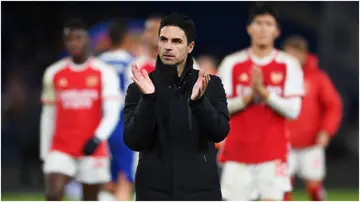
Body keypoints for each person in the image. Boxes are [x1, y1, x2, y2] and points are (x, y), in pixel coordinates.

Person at [123, 13, 229, 200]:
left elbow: (220, 132)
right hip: (153, 192)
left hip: (201, 191)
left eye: (177, 41)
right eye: (163, 40)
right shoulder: (140, 86)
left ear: (190, 47)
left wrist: (199, 103)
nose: (168, 47)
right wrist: (148, 100)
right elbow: (133, 141)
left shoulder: (210, 84)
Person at [217, 4, 304, 201]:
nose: (263, 29)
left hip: (273, 155)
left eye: (269, 24)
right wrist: (247, 98)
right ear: (249, 28)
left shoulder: (288, 64)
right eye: (258, 23)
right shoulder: (232, 63)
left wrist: (265, 94)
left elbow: (293, 111)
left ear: (277, 30)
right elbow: (219, 108)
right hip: (236, 155)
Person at [40, 19, 122, 201]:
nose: (74, 43)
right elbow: (48, 114)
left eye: (79, 38)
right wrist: (45, 151)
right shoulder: (53, 73)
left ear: (88, 40)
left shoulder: (104, 72)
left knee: (90, 198)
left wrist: (97, 137)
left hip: (92, 148)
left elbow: (112, 111)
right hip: (60, 147)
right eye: (70, 39)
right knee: (53, 194)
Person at [282, 35, 343, 201]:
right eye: (289, 53)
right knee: (282, 188)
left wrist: (326, 131)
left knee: (314, 187)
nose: (293, 57)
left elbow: (334, 106)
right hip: (283, 142)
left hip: (311, 142)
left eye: (296, 53)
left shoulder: (318, 78)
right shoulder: (277, 77)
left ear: (304, 54)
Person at [98, 19, 136, 201]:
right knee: (125, 176)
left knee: (104, 176)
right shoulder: (132, 62)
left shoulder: (97, 63)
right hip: (123, 122)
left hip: (101, 123)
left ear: (107, 39)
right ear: (126, 39)